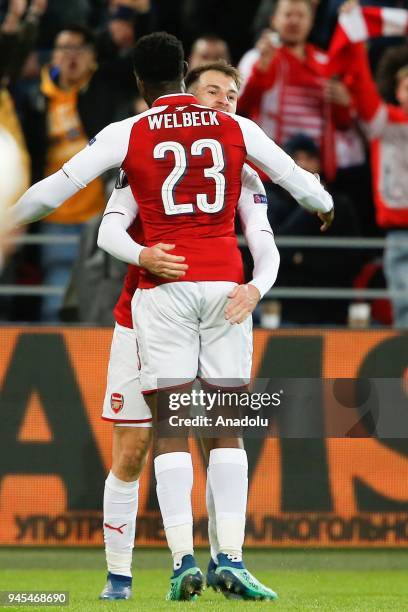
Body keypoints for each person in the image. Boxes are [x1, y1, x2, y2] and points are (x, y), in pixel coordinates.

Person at [12, 32, 333, 601]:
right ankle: (220, 557)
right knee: (220, 425)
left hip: (165, 293)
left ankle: (187, 557)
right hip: (219, 283)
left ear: (139, 83)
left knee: (172, 426)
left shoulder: (128, 134)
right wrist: (323, 204)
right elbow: (297, 181)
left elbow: (53, 191)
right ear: (186, 75)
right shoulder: (236, 132)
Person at [20, 24, 127, 321]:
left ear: (93, 56)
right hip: (53, 217)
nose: (71, 56)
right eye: (64, 48)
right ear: (52, 56)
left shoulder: (103, 93)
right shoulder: (36, 101)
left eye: (79, 48)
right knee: (55, 301)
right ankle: (52, 367)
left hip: (99, 218)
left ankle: (93, 366)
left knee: (99, 302)